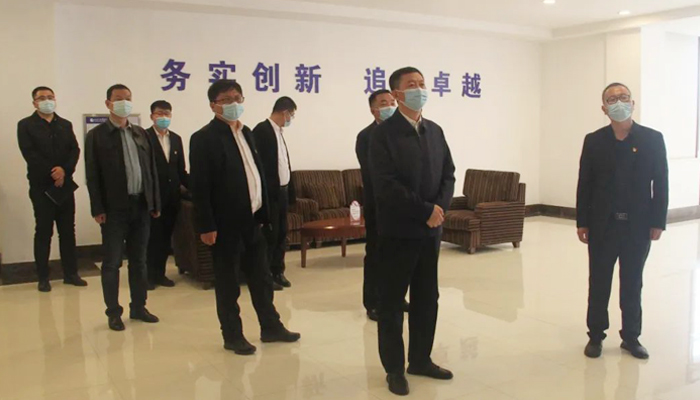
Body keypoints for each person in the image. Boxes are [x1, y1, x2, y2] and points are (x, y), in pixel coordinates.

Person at [189, 79, 300, 355]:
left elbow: (257, 174)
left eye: (237, 98)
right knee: (228, 284)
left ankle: (271, 327)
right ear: (213, 105)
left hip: (253, 221)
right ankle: (232, 335)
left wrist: (264, 214)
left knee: (262, 278)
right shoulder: (203, 138)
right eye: (226, 100)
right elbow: (200, 186)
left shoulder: (247, 133)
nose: (234, 104)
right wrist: (206, 225)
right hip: (224, 224)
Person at [369, 67, 456, 396]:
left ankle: (421, 359)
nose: (419, 89)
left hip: (430, 233)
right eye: (411, 85)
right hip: (398, 232)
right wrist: (425, 211)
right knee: (392, 303)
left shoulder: (434, 130)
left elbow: (448, 173)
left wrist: (439, 209)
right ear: (397, 94)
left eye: (422, 83)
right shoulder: (383, 135)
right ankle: (394, 369)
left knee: (427, 298)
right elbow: (386, 185)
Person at [577, 82, 669, 360]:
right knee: (599, 282)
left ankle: (631, 337)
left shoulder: (652, 139)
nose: (619, 102)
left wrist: (658, 221)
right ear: (604, 108)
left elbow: (661, 182)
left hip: (637, 226)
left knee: (632, 283)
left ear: (632, 103)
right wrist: (582, 221)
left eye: (623, 97)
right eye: (612, 99)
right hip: (602, 225)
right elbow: (585, 183)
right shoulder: (594, 140)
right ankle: (595, 336)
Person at [85, 84, 161, 331]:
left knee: (139, 261)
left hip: (141, 205)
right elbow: (92, 175)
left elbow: (151, 171)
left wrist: (154, 202)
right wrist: (97, 208)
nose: (124, 103)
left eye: (128, 98)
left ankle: (139, 307)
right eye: (118, 99)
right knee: (112, 263)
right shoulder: (97, 136)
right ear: (108, 103)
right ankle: (113, 312)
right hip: (113, 209)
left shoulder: (140, 133)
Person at [17, 86, 86, 292]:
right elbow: (29, 153)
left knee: (68, 231)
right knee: (43, 231)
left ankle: (71, 273)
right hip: (41, 187)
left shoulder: (65, 124)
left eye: (50, 97)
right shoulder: (26, 125)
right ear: (34, 103)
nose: (47, 100)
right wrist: (53, 172)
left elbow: (74, 150)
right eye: (42, 98)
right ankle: (43, 277)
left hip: (64, 186)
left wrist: (64, 170)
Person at [355, 89, 409, 321]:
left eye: (392, 102)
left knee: (400, 254)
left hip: (402, 205)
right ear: (373, 110)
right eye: (384, 103)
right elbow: (373, 174)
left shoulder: (402, 133)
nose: (390, 106)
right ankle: (373, 302)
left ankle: (397, 297)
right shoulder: (366, 136)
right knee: (376, 253)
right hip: (378, 204)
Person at [252, 97, 298, 291]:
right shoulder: (261, 131)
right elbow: (259, 166)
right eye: (292, 115)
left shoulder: (279, 132)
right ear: (284, 112)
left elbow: (284, 163)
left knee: (281, 233)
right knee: (269, 235)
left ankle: (278, 271)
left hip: (282, 192)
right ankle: (266, 275)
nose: (291, 119)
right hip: (270, 194)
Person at [145, 100, 188, 290]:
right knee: (150, 238)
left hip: (172, 198)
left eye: (167, 114)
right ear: (152, 116)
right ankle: (147, 276)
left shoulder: (176, 139)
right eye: (159, 113)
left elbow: (181, 171)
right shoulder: (144, 137)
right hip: (152, 198)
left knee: (165, 238)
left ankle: (160, 274)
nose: (163, 117)